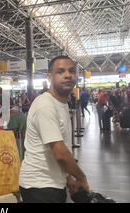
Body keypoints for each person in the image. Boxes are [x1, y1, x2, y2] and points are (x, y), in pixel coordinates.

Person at [19, 56, 89, 203]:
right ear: (49, 77)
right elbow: (60, 153)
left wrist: (67, 178)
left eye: (71, 71)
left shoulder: (61, 103)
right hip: (39, 187)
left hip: (51, 184)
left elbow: (53, 152)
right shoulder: (45, 105)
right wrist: (81, 177)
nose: (68, 75)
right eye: (60, 71)